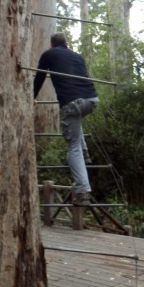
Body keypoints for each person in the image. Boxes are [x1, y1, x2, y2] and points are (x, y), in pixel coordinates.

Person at [34, 33, 99, 205]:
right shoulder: (78, 56)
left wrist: (31, 97)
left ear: (51, 45)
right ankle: (85, 154)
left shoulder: (49, 54)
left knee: (72, 147)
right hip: (91, 100)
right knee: (75, 122)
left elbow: (39, 77)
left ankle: (83, 190)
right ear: (66, 43)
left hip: (71, 103)